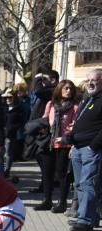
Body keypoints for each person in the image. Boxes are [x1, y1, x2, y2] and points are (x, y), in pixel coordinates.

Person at [34, 80, 79, 213]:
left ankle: (62, 203)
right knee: (47, 173)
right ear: (59, 89)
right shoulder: (51, 104)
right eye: (66, 88)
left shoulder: (75, 106)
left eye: (71, 89)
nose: (68, 91)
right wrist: (43, 128)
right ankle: (47, 200)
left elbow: (76, 125)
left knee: (61, 174)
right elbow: (45, 119)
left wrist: (68, 134)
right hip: (49, 143)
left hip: (65, 144)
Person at [69, 68, 102, 231]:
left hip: (91, 149)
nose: (90, 83)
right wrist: (71, 139)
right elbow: (79, 122)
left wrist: (94, 145)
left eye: (94, 80)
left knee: (88, 183)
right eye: (88, 80)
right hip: (78, 147)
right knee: (80, 184)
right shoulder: (88, 99)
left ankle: (85, 219)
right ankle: (90, 216)